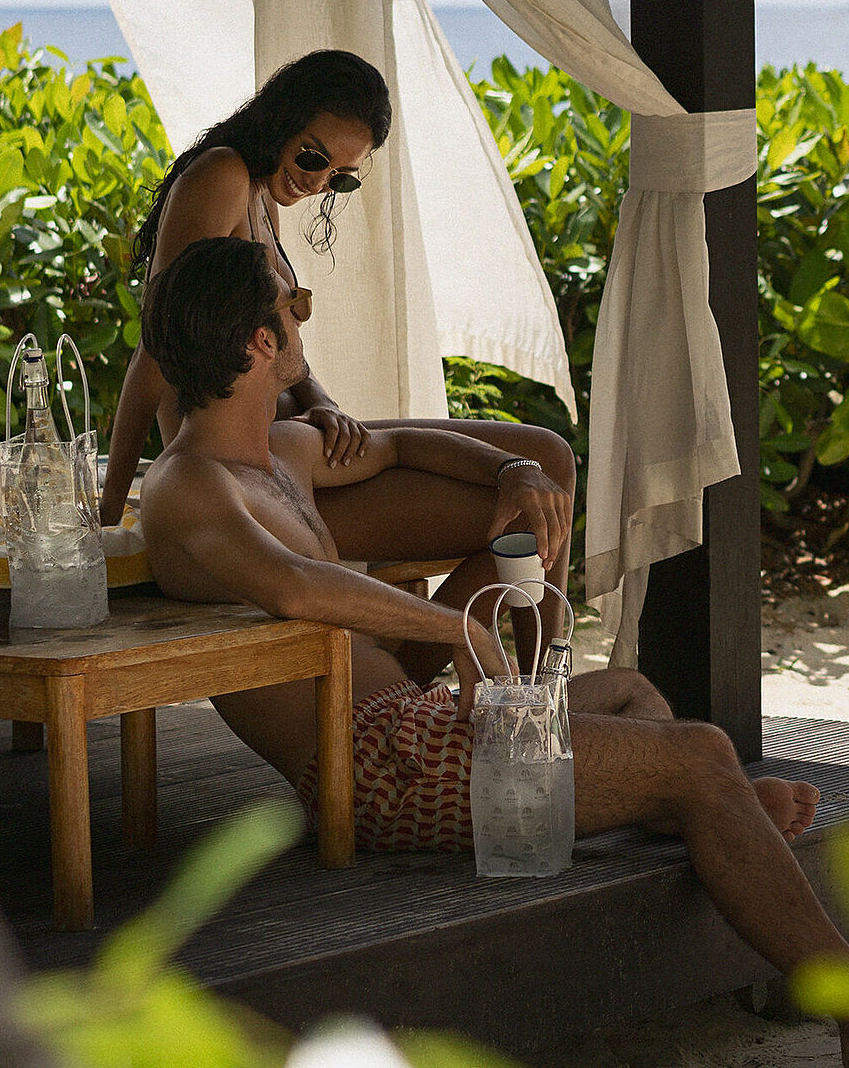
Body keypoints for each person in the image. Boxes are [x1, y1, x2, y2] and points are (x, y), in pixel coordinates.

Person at [135, 237, 849, 1068]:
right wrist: (459, 630)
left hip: (413, 725)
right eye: (294, 303)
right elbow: (295, 587)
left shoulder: (281, 453)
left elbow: (399, 443)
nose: (304, 315)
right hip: (370, 766)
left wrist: (511, 473)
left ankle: (705, 817)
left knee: (632, 694)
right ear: (262, 341)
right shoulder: (189, 486)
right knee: (702, 753)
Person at [100, 49, 575, 637]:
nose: (318, 181)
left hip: (290, 443)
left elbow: (272, 332)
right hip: (247, 463)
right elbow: (157, 345)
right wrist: (110, 509)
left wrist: (319, 400)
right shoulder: (221, 176)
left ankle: (526, 671)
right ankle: (528, 680)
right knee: (528, 510)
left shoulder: (260, 192)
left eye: (340, 177)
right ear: (281, 118)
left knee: (547, 459)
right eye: (312, 157)